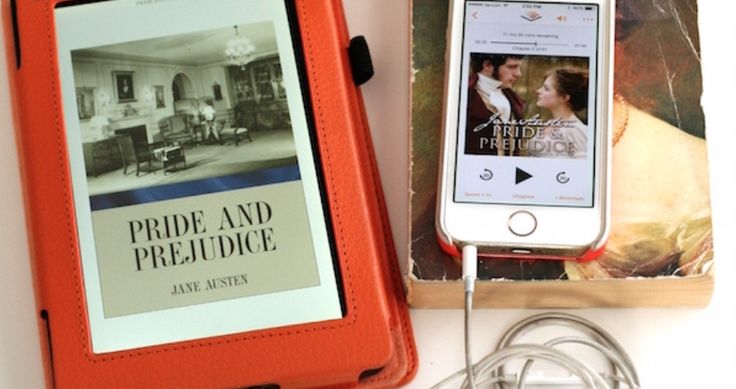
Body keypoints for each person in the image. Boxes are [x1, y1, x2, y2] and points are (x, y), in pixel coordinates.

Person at [465, 54, 526, 156]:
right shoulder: (465, 99)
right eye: (512, 67)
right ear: (487, 65)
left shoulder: (513, 100)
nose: (518, 73)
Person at [528, 67, 589, 159]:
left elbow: (582, 167)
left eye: (546, 88)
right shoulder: (547, 125)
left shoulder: (576, 130)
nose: (538, 91)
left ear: (564, 97)